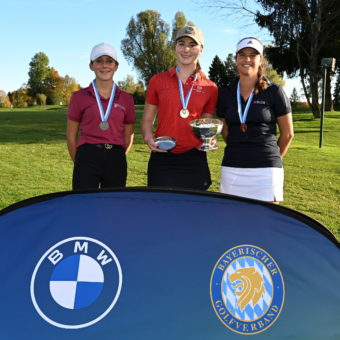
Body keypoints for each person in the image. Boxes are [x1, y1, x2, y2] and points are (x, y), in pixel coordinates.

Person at [217, 37, 294, 202]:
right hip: (232, 167)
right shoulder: (225, 93)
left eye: (253, 55)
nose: (247, 59)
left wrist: (271, 158)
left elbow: (287, 134)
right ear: (236, 59)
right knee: (232, 221)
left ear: (261, 60)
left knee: (267, 224)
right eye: (242, 54)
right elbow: (224, 130)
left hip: (266, 170)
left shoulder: (275, 92)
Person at [141, 25, 218, 190]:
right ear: (175, 47)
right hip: (163, 156)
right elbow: (147, 119)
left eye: (192, 44)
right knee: (161, 211)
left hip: (194, 158)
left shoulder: (210, 87)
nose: (186, 49)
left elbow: (206, 124)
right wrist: (148, 138)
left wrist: (209, 138)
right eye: (181, 43)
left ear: (201, 49)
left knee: (193, 213)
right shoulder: (158, 80)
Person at [66, 42, 136, 190]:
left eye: (109, 61)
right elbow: (71, 137)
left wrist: (116, 157)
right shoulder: (79, 97)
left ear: (116, 66)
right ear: (91, 66)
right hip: (87, 156)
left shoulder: (126, 99)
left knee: (112, 206)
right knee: (84, 204)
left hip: (116, 158)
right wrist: (80, 161)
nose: (104, 65)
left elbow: (128, 136)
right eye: (99, 61)